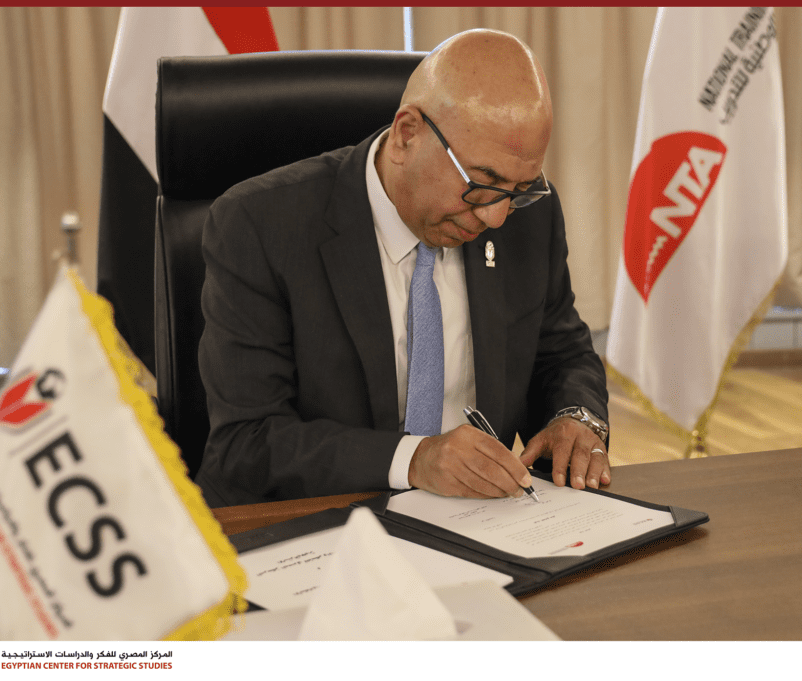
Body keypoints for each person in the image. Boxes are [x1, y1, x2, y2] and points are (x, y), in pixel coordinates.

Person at [195, 29, 610, 507]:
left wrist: (576, 416)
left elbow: (561, 350)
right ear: (406, 134)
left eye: (520, 189)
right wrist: (414, 459)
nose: (497, 216)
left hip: (477, 518)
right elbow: (246, 443)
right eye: (482, 183)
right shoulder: (258, 225)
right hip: (313, 520)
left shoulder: (529, 216)